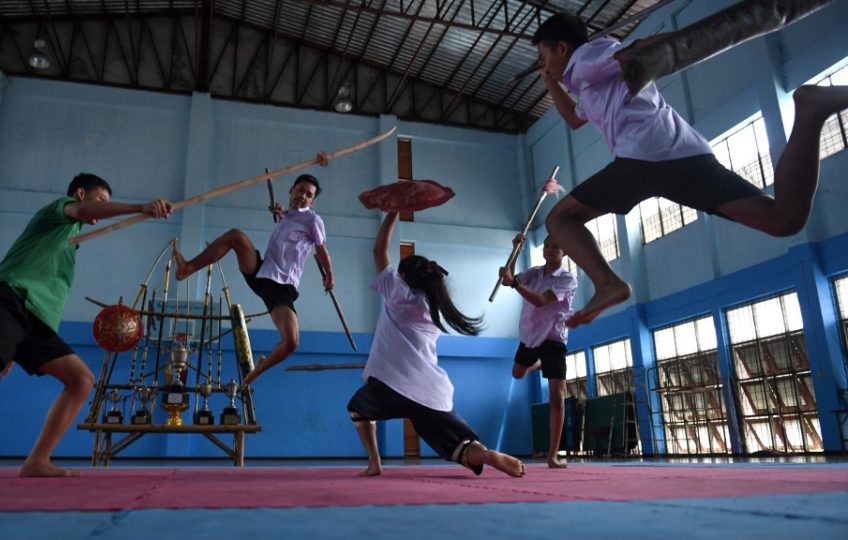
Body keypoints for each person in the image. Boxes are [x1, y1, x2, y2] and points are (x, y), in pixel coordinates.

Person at [533, 12, 848, 328]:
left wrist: (683, 39)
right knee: (783, 219)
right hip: (681, 156)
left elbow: (643, 50)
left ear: (562, 48)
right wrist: (551, 81)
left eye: (543, 56)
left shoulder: (588, 58)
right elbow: (575, 118)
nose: (542, 64)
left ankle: (608, 283)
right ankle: (810, 111)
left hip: (644, 155)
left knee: (559, 218)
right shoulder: (591, 84)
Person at [0, 173, 172, 477]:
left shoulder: (69, 241)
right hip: (7, 300)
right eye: (101, 199)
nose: (103, 208)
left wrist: (10, 346)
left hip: (34, 322)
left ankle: (37, 461)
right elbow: (86, 211)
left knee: (80, 380)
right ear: (80, 193)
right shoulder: (59, 211)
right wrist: (141, 207)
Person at [347, 212, 525, 478]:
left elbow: (379, 250)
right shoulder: (433, 308)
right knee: (460, 447)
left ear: (404, 275)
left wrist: (393, 212)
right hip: (432, 392)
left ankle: (374, 464)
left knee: (357, 408)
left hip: (391, 385)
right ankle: (486, 454)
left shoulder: (399, 295)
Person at [172, 174, 334, 386]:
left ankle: (259, 369)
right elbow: (287, 221)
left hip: (280, 287)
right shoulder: (287, 217)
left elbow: (321, 249)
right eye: (300, 190)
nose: (303, 196)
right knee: (236, 236)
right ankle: (187, 268)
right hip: (262, 272)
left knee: (291, 342)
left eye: (308, 195)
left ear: (312, 201)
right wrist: (280, 213)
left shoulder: (313, 220)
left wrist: (329, 274)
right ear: (291, 190)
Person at [498, 234, 577, 468]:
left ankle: (552, 455)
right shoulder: (533, 273)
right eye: (547, 246)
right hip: (530, 336)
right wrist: (515, 251)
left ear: (565, 253)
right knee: (517, 373)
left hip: (553, 337)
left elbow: (542, 300)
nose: (550, 249)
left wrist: (513, 283)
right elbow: (508, 280)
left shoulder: (567, 279)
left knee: (557, 397)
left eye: (556, 246)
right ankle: (540, 363)